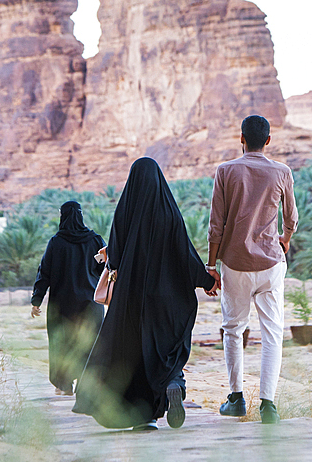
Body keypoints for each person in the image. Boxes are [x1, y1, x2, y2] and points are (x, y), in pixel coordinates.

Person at [73, 158, 218, 430]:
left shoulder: (125, 211)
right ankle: (174, 382)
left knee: (136, 353)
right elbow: (185, 253)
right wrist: (205, 279)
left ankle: (144, 416)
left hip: (133, 299)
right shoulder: (169, 213)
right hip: (169, 300)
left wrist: (112, 260)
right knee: (168, 347)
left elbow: (114, 254)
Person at [208, 115, 298, 425]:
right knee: (272, 333)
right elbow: (292, 218)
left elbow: (215, 226)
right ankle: (268, 404)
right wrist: (284, 240)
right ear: (268, 141)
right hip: (271, 263)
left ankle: (236, 399)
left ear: (241, 138)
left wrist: (211, 264)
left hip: (235, 264)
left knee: (233, 329)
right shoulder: (282, 172)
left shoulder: (225, 171)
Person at [30, 201, 106, 395]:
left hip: (63, 305)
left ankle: (64, 386)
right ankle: (87, 385)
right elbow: (107, 267)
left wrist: (36, 300)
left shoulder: (57, 242)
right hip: (91, 303)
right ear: (80, 215)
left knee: (62, 343)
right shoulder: (95, 240)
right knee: (90, 344)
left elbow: (44, 272)